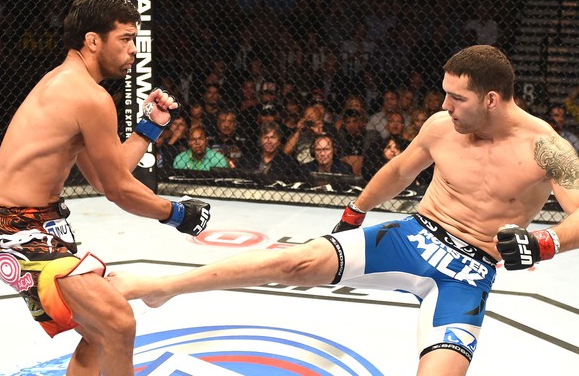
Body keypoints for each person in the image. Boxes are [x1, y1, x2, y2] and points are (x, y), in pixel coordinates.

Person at [107, 45, 579, 375]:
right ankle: (161, 287)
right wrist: (357, 209)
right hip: (414, 236)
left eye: (458, 98)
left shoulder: (548, 149)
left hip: (469, 271)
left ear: (492, 100)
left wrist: (545, 240)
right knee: (297, 259)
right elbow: (399, 173)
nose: (444, 105)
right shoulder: (441, 126)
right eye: (445, 93)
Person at [0, 0, 212, 376]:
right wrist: (175, 213)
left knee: (100, 329)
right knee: (117, 321)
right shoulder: (88, 96)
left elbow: (109, 177)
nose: (133, 51)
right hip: (19, 235)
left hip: (35, 229)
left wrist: (149, 127)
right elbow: (120, 190)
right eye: (124, 39)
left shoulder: (71, 85)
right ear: (93, 40)